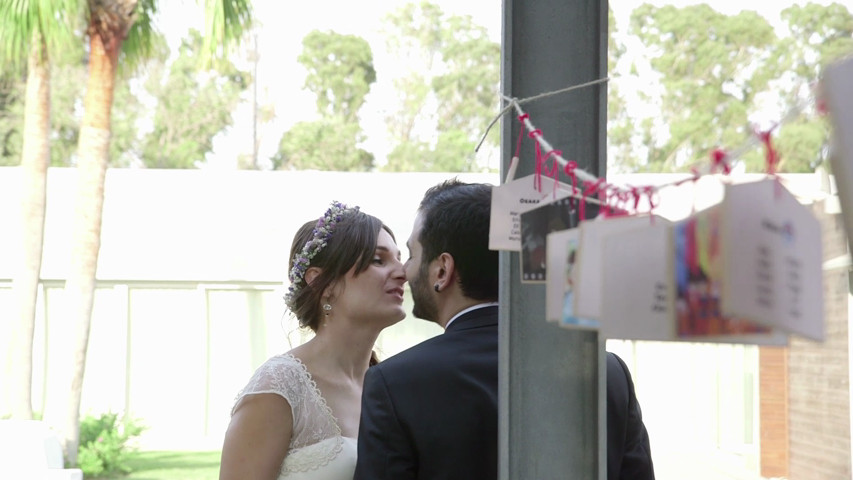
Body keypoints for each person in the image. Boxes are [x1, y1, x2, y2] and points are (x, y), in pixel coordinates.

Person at [354, 179, 655, 480]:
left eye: (411, 254)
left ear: (442, 270)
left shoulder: (395, 383)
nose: (405, 271)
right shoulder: (608, 372)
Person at [219, 201, 407, 480]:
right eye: (378, 260)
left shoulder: (393, 386)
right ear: (322, 284)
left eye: (400, 259)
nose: (403, 273)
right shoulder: (280, 388)